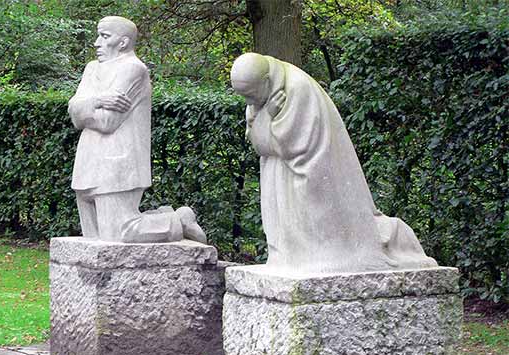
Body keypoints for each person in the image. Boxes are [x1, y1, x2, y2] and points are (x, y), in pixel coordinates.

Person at [230, 53, 436, 273]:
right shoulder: (263, 96)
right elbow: (260, 144)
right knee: (285, 226)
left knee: (320, 235)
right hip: (279, 172)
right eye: (244, 97)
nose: (249, 103)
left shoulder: (297, 89)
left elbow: (287, 145)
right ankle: (293, 257)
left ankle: (320, 256)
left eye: (251, 95)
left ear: (266, 81)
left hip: (308, 171)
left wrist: (266, 121)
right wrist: (267, 116)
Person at [69, 16, 205, 243]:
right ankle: (167, 218)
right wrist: (101, 98)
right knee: (94, 238)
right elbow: (74, 113)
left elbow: (107, 121)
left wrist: (86, 106)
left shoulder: (133, 69)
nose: (96, 43)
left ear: (122, 42)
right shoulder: (92, 69)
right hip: (88, 161)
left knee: (118, 233)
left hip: (117, 163)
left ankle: (177, 221)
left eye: (104, 36)